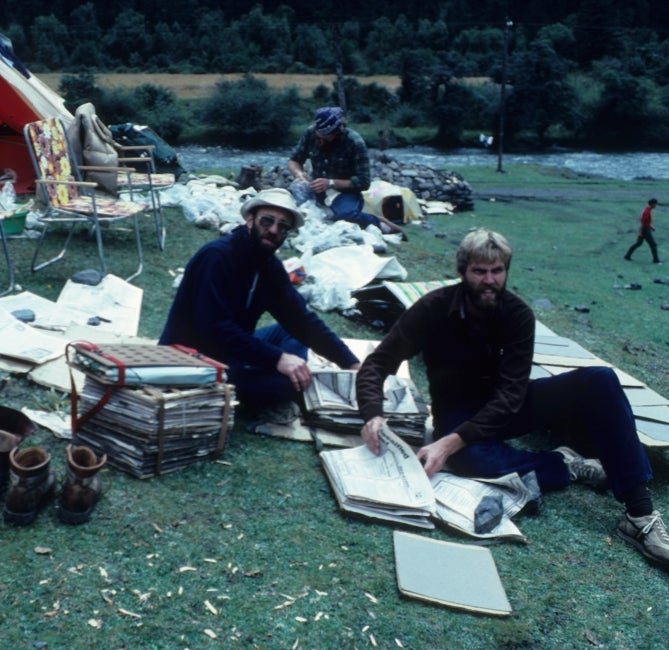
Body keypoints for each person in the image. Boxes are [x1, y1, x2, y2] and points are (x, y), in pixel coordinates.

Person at [356, 228, 669, 569]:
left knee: (600, 380)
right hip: (457, 412)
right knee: (471, 461)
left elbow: (511, 394)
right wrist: (372, 414)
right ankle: (564, 465)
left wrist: (447, 445)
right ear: (463, 272)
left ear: (506, 270)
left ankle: (640, 516)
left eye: (497, 271)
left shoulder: (517, 313)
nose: (489, 280)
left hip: (509, 404)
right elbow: (377, 364)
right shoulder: (434, 308)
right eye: (479, 271)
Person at [159, 187, 360, 418]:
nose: (273, 230)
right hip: (193, 359)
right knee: (285, 384)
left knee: (292, 336)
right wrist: (277, 358)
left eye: (282, 226)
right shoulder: (217, 257)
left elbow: (301, 319)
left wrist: (351, 363)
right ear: (249, 219)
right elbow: (214, 327)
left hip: (231, 351)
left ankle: (272, 374)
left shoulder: (269, 265)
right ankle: (258, 384)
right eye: (267, 221)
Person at [287, 106, 405, 238]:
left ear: (337, 132)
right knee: (288, 204)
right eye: (318, 136)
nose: (320, 140)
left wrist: (331, 183)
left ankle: (379, 222)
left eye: (325, 138)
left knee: (345, 216)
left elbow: (364, 182)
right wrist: (300, 175)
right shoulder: (311, 133)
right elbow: (294, 161)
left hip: (346, 193)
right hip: (316, 187)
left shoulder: (354, 142)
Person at [624, 198, 660, 264]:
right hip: (645, 230)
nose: (655, 206)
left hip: (645, 228)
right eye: (655, 204)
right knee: (653, 245)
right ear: (652, 204)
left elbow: (645, 222)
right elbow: (642, 222)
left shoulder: (647, 210)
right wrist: (640, 232)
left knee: (638, 243)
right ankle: (656, 260)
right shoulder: (647, 212)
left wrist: (651, 227)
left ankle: (627, 256)